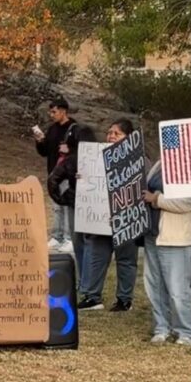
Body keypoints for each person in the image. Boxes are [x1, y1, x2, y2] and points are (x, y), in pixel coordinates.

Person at [79, 118, 140, 312]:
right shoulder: (95, 157)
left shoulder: (139, 159)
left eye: (117, 133)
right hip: (99, 220)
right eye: (109, 133)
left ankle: (124, 300)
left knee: (126, 260)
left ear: (129, 138)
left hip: (125, 219)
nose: (111, 136)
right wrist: (82, 177)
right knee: (97, 256)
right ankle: (92, 297)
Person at [143, 160, 191, 345]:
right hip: (153, 234)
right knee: (155, 286)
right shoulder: (159, 164)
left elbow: (188, 202)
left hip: (175, 236)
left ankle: (186, 331)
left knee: (177, 288)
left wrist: (156, 199)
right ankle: (161, 327)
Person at [47, 125, 96, 290]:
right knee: (91, 246)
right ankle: (89, 283)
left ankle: (83, 281)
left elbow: (53, 180)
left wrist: (63, 198)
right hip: (97, 207)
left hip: (76, 203)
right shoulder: (100, 157)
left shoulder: (71, 159)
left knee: (79, 244)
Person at [33, 98, 77, 250]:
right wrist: (40, 141)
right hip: (53, 172)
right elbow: (45, 151)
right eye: (50, 111)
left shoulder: (74, 128)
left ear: (63, 111)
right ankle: (57, 236)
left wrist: (70, 150)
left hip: (67, 173)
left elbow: (83, 150)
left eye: (54, 111)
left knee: (66, 206)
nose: (51, 114)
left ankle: (69, 238)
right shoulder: (52, 129)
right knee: (56, 206)